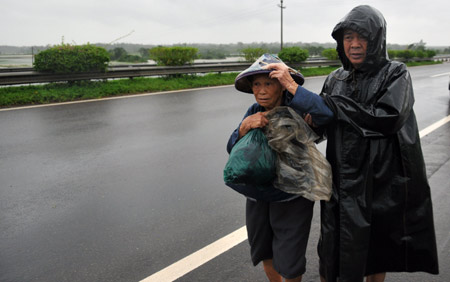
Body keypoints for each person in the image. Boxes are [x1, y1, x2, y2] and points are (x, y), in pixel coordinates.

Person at [263, 5, 439, 282]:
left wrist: (307, 95)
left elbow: (385, 119)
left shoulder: (395, 73)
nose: (355, 44)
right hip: (342, 180)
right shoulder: (336, 78)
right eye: (348, 38)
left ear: (377, 40)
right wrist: (300, 120)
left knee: (375, 247)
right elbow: (321, 121)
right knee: (333, 250)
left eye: (362, 37)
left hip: (379, 180)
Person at [226, 54, 333, 281]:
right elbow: (232, 150)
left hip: (292, 196)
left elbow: (326, 115)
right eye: (257, 84)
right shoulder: (253, 110)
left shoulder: (300, 108)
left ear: (282, 85)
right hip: (257, 195)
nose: (261, 90)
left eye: (269, 83)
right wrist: (243, 128)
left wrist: (292, 86)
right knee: (265, 251)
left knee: (290, 260)